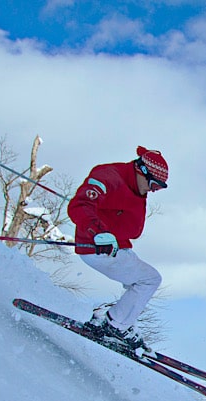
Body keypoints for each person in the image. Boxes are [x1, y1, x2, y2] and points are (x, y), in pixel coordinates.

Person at [67, 146, 167, 355]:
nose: (154, 190)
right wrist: (97, 232)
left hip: (117, 248)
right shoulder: (109, 177)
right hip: (98, 247)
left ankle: (108, 318)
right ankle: (115, 326)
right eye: (154, 185)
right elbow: (80, 204)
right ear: (142, 171)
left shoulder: (135, 188)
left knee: (138, 283)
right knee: (149, 280)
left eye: (159, 188)